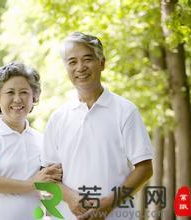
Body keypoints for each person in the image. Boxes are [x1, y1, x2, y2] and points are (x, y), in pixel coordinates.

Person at [41, 32, 153, 220]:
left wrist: (107, 205)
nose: (80, 67)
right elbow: (47, 176)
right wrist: (69, 198)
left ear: (102, 63)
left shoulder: (125, 111)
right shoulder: (58, 118)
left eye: (87, 59)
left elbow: (145, 168)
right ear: (66, 68)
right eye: (72, 62)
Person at [0, 62, 62, 220]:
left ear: (34, 97)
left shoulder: (41, 140)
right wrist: (32, 184)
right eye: (10, 92)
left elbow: (49, 188)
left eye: (24, 92)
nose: (17, 99)